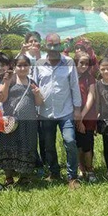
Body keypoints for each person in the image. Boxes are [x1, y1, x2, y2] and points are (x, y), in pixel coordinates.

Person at [33, 33, 82, 189]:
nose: (53, 48)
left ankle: (72, 176)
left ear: (60, 45)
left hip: (66, 111)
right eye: (50, 44)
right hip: (45, 112)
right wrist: (35, 109)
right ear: (45, 45)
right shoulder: (39, 63)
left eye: (56, 44)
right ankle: (54, 172)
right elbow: (35, 86)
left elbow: (74, 86)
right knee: (48, 145)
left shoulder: (69, 62)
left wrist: (77, 109)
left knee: (70, 141)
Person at [0, 55, 44, 185]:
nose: (22, 68)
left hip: (29, 123)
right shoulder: (10, 80)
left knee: (27, 146)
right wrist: (6, 83)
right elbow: (2, 98)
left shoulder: (31, 82)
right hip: (10, 122)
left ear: (29, 67)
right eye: (19, 65)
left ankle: (24, 177)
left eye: (25, 65)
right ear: (14, 67)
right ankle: (9, 177)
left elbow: (39, 103)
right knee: (8, 146)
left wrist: (37, 94)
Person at [75, 52, 98, 183]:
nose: (84, 66)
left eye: (87, 64)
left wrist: (82, 116)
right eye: (81, 63)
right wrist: (77, 117)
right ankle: (81, 168)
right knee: (78, 144)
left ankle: (90, 169)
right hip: (74, 114)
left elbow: (91, 96)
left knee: (87, 144)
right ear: (76, 63)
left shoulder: (90, 78)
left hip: (88, 115)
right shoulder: (71, 77)